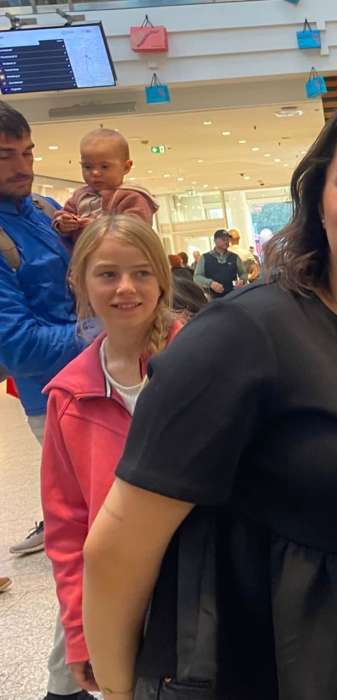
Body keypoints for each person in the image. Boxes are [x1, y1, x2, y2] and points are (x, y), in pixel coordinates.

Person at [82, 89, 337, 699]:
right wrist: (120, 691)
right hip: (276, 670)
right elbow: (118, 547)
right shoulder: (240, 337)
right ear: (319, 200)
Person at [41, 214, 181, 697]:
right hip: (126, 597)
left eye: (141, 273)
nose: (126, 288)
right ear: (79, 283)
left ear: (161, 279)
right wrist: (81, 633)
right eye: (107, 274)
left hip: (208, 581)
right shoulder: (69, 397)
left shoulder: (203, 360)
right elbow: (67, 525)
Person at [0, 99, 91, 700]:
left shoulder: (45, 211)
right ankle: (65, 684)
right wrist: (102, 331)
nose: (22, 165)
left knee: (104, 537)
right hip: (57, 402)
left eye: (27, 151)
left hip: (105, 385)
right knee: (95, 542)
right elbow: (17, 344)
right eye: (5, 156)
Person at [52, 129, 158, 244]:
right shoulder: (79, 195)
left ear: (126, 167)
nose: (95, 173)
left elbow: (137, 230)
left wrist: (100, 227)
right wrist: (64, 223)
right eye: (87, 167)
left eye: (104, 167)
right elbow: (63, 214)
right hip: (84, 253)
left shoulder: (132, 197)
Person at [193, 228, 246, 299]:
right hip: (213, 298)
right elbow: (197, 277)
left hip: (234, 296)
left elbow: (243, 273)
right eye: (223, 239)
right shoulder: (205, 258)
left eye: (228, 239)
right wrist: (210, 283)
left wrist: (242, 281)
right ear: (215, 241)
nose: (226, 241)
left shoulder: (235, 257)